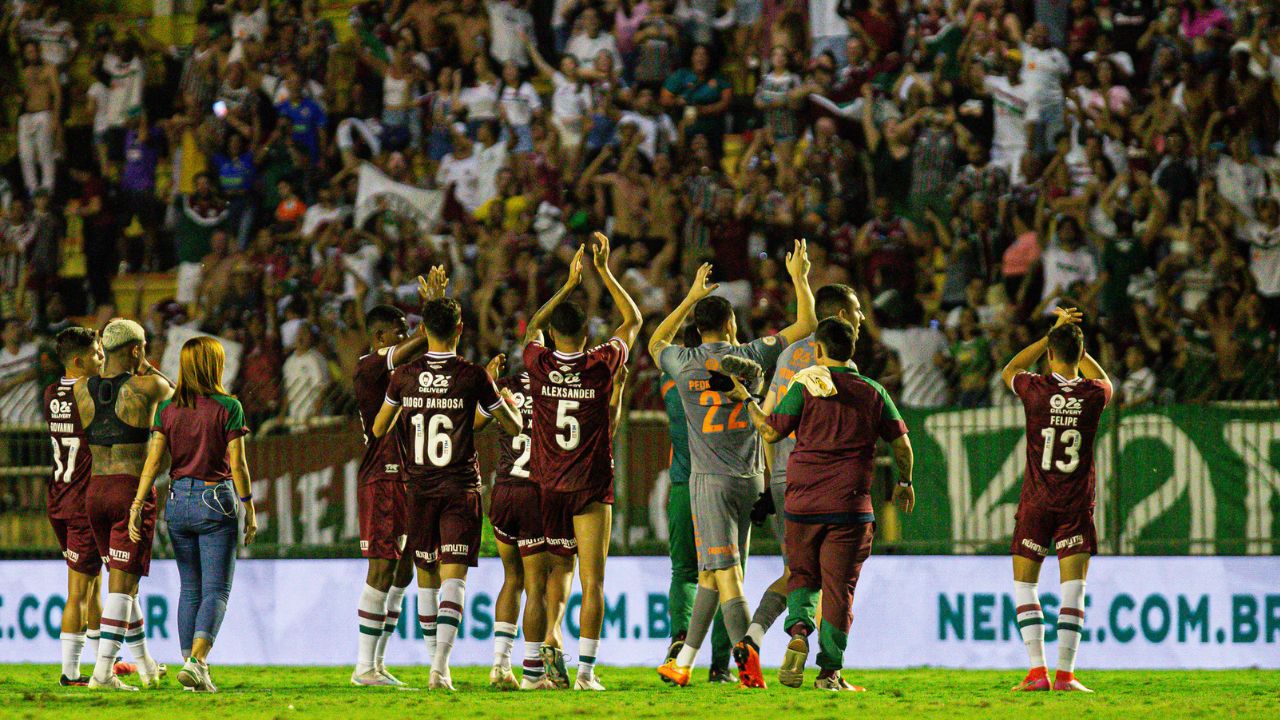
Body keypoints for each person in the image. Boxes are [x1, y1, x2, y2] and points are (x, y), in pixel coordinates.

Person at [650, 240, 816, 689]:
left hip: (709, 482)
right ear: (729, 323)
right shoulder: (754, 355)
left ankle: (749, 661)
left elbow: (654, 341)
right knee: (710, 573)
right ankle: (683, 661)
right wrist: (799, 277)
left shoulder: (682, 363)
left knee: (726, 575)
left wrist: (689, 297)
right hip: (752, 478)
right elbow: (806, 324)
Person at [731, 316, 915, 691]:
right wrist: (904, 481)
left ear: (818, 350)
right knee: (838, 590)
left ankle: (798, 631)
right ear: (852, 351)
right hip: (849, 505)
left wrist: (747, 399)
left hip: (801, 503)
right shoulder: (873, 390)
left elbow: (769, 429)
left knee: (802, 576)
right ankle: (829, 672)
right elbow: (902, 445)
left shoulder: (805, 386)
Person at [372, 297, 522, 690]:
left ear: (425, 331)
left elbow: (377, 429)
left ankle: (435, 666)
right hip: (459, 487)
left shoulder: (403, 376)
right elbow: (509, 424)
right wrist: (499, 405)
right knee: (453, 580)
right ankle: (440, 668)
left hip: (418, 488)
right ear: (460, 330)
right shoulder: (473, 376)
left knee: (426, 578)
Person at [520, 233, 641, 691]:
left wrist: (568, 286)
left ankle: (538, 659)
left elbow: (530, 328)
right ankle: (586, 673)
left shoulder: (539, 361)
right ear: (587, 336)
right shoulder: (601, 362)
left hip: (546, 484)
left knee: (545, 577)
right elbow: (633, 319)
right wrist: (603, 271)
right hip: (590, 486)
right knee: (591, 582)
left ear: (554, 336)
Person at [740, 284, 865, 671]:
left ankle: (755, 638)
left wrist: (766, 481)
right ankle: (824, 662)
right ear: (840, 318)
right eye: (856, 310)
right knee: (827, 575)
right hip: (827, 478)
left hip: (784, 474)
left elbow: (769, 414)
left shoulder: (791, 355)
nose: (862, 317)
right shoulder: (845, 369)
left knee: (797, 571)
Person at [128, 336, 258, 693]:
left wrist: (137, 505)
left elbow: (153, 463)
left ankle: (191, 667)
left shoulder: (166, 409)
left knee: (190, 589)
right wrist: (248, 505)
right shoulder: (228, 406)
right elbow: (239, 463)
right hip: (216, 500)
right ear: (214, 366)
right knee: (216, 589)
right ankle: (198, 662)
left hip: (178, 502)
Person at [1000, 307, 1112, 693]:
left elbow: (1009, 370)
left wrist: (1052, 333)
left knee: (1025, 587)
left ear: (1050, 354)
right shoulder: (1094, 394)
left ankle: (1037, 672)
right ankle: (1065, 675)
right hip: (1076, 505)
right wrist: (1075, 344)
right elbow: (1104, 379)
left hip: (1036, 502)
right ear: (1081, 356)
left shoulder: (1035, 389)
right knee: (1073, 591)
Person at [349, 269, 444, 687]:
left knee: (403, 572)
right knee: (381, 569)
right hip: (383, 478)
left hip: (407, 477)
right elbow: (426, 340)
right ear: (381, 336)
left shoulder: (400, 373)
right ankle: (363, 667)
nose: (406, 339)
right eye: (399, 333)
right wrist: (434, 309)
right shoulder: (370, 367)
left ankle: (378, 663)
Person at [77, 319, 174, 690]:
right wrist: (148, 366)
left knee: (125, 585)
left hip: (95, 491)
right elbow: (183, 399)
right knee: (120, 588)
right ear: (135, 349)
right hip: (131, 491)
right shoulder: (150, 385)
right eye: (143, 347)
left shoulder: (81, 390)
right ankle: (102, 674)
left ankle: (146, 665)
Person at [661, 324, 733, 684]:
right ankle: (721, 665)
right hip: (719, 487)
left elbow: (659, 342)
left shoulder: (670, 387)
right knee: (726, 575)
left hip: (680, 486)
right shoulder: (727, 386)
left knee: (684, 571)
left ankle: (678, 639)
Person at [46, 328, 106, 686]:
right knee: (79, 592)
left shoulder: (50, 391)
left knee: (93, 586)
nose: (103, 358)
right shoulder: (92, 394)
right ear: (80, 361)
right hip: (81, 504)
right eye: (98, 354)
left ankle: (103, 668)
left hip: (58, 497)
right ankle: (70, 674)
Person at [487, 366, 542, 689]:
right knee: (538, 586)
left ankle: (500, 664)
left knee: (512, 579)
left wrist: (489, 380)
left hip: (504, 489)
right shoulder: (554, 390)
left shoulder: (505, 385)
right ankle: (533, 672)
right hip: (535, 492)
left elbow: (479, 420)